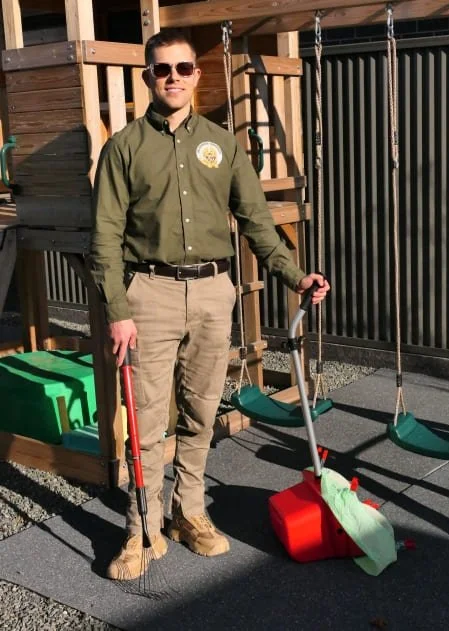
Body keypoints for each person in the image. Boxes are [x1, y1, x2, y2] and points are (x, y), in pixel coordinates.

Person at [90, 27, 330, 581]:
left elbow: (257, 223)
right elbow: (103, 237)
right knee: (147, 419)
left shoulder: (222, 144)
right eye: (161, 69)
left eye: (182, 68)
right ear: (148, 77)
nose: (172, 77)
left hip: (213, 291)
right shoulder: (124, 147)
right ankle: (141, 528)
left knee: (201, 410)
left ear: (196, 75)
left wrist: (294, 276)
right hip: (148, 293)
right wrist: (117, 309)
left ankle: (188, 511)